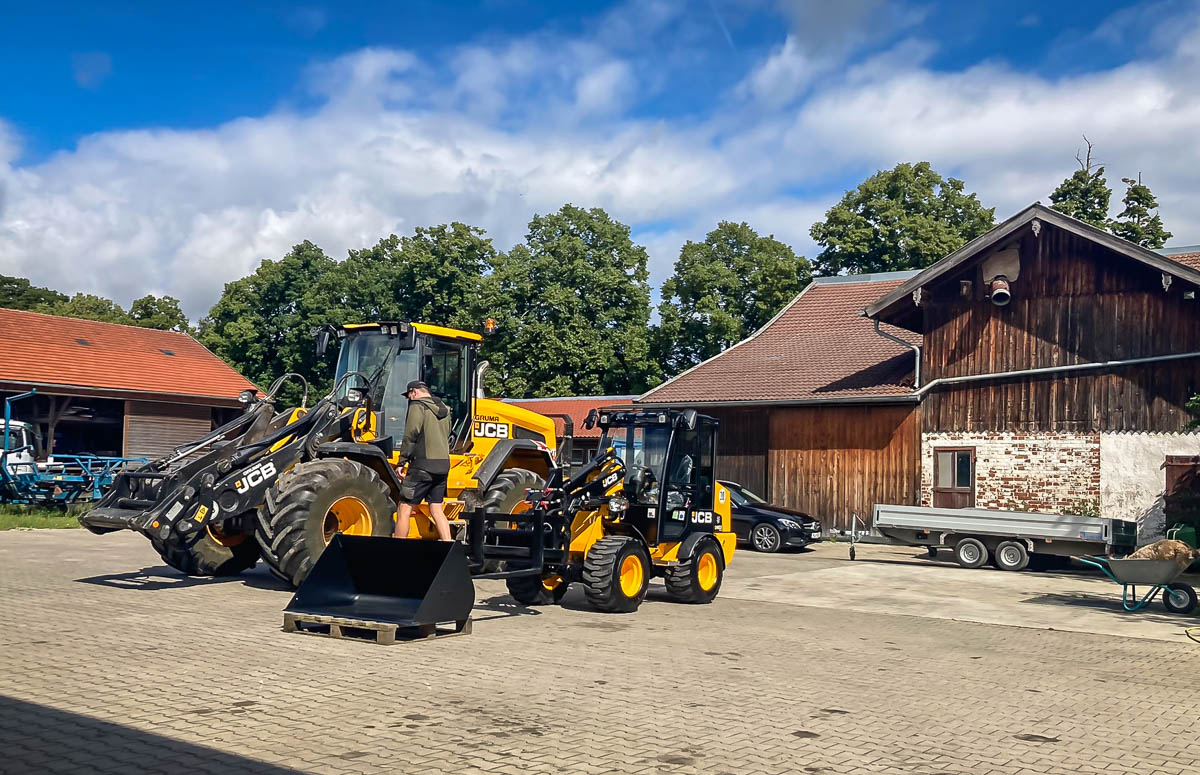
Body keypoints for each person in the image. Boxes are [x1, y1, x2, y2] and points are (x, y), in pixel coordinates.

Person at [392, 380, 453, 541]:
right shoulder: (446, 410)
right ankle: (449, 546)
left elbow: (410, 434)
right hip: (443, 466)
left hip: (422, 466)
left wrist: (402, 461)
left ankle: (395, 550)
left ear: (414, 392)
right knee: (436, 508)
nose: (409, 399)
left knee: (404, 508)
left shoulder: (418, 406)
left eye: (409, 396)